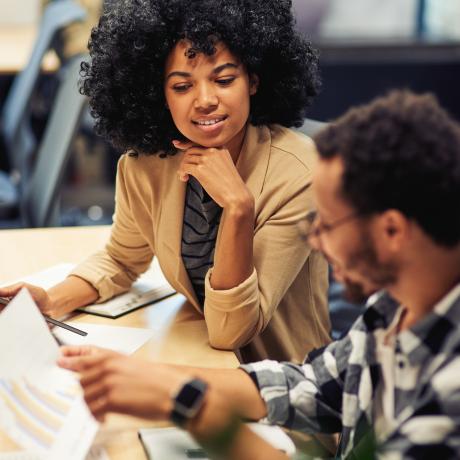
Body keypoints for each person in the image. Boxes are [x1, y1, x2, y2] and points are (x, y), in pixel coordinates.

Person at [59, 90, 460, 459]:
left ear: (392, 231)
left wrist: (195, 410)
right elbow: (314, 386)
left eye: (327, 225)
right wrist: (149, 379)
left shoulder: (448, 393)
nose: (316, 242)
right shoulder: (395, 306)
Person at [0, 0, 330, 363]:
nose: (205, 100)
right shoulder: (147, 166)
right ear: (159, 93)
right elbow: (121, 260)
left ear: (252, 80)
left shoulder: (299, 173)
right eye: (182, 86)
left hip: (284, 385)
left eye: (223, 80)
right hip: (196, 357)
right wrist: (50, 300)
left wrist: (238, 207)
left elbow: (232, 331)